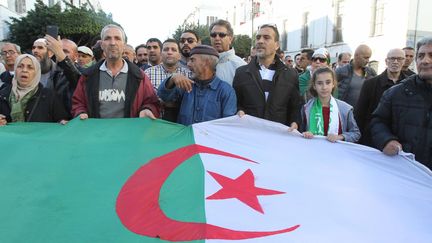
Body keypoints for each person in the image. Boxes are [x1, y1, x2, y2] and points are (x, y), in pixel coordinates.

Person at [72, 24, 160, 119]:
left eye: (117, 38)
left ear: (124, 45)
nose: (112, 43)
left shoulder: (139, 76)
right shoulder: (88, 75)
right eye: (107, 38)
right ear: (102, 45)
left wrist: (147, 109)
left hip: (128, 132)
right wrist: (80, 112)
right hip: (97, 132)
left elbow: (151, 102)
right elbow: (78, 102)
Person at [370, 36, 432, 169]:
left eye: (431, 55)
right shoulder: (396, 92)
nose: (425, 61)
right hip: (403, 171)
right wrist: (386, 140)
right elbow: (377, 121)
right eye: (421, 56)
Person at [233, 24, 302, 128]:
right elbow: (236, 103)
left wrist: (295, 123)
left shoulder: (290, 75)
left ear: (277, 45)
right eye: (258, 37)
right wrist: (239, 111)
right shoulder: (241, 73)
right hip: (249, 134)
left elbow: (295, 106)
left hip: (278, 137)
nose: (260, 41)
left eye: (266, 37)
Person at [158, 45, 236, 126]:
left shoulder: (226, 91)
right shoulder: (186, 84)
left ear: (206, 62)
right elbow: (163, 96)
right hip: (186, 137)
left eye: (192, 60)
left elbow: (228, 123)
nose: (188, 64)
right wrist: (172, 79)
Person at [355, 48, 407, 146]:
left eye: (399, 59)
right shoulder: (370, 84)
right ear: (386, 61)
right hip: (372, 138)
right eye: (392, 58)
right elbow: (360, 114)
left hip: (401, 140)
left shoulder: (409, 84)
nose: (395, 62)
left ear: (404, 61)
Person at [0, 54, 68, 125]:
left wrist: (62, 121)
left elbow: (62, 120)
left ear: (36, 72)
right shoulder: (2, 95)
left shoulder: (49, 96)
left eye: (30, 67)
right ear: (15, 70)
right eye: (20, 66)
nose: (24, 70)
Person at [301, 67, 360, 143]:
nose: (324, 87)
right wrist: (305, 134)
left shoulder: (345, 109)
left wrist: (340, 137)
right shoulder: (306, 108)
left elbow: (356, 133)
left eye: (328, 82)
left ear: (333, 84)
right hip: (312, 150)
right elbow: (300, 131)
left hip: (337, 152)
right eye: (319, 83)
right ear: (314, 86)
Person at [32, 36, 81, 117]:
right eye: (57, 50)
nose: (59, 53)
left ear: (76, 56)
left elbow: (75, 78)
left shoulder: (82, 73)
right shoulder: (54, 73)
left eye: (64, 51)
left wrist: (63, 59)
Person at [209, 19, 246, 86]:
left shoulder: (241, 66)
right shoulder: (203, 63)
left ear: (230, 39)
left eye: (221, 35)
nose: (217, 38)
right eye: (213, 35)